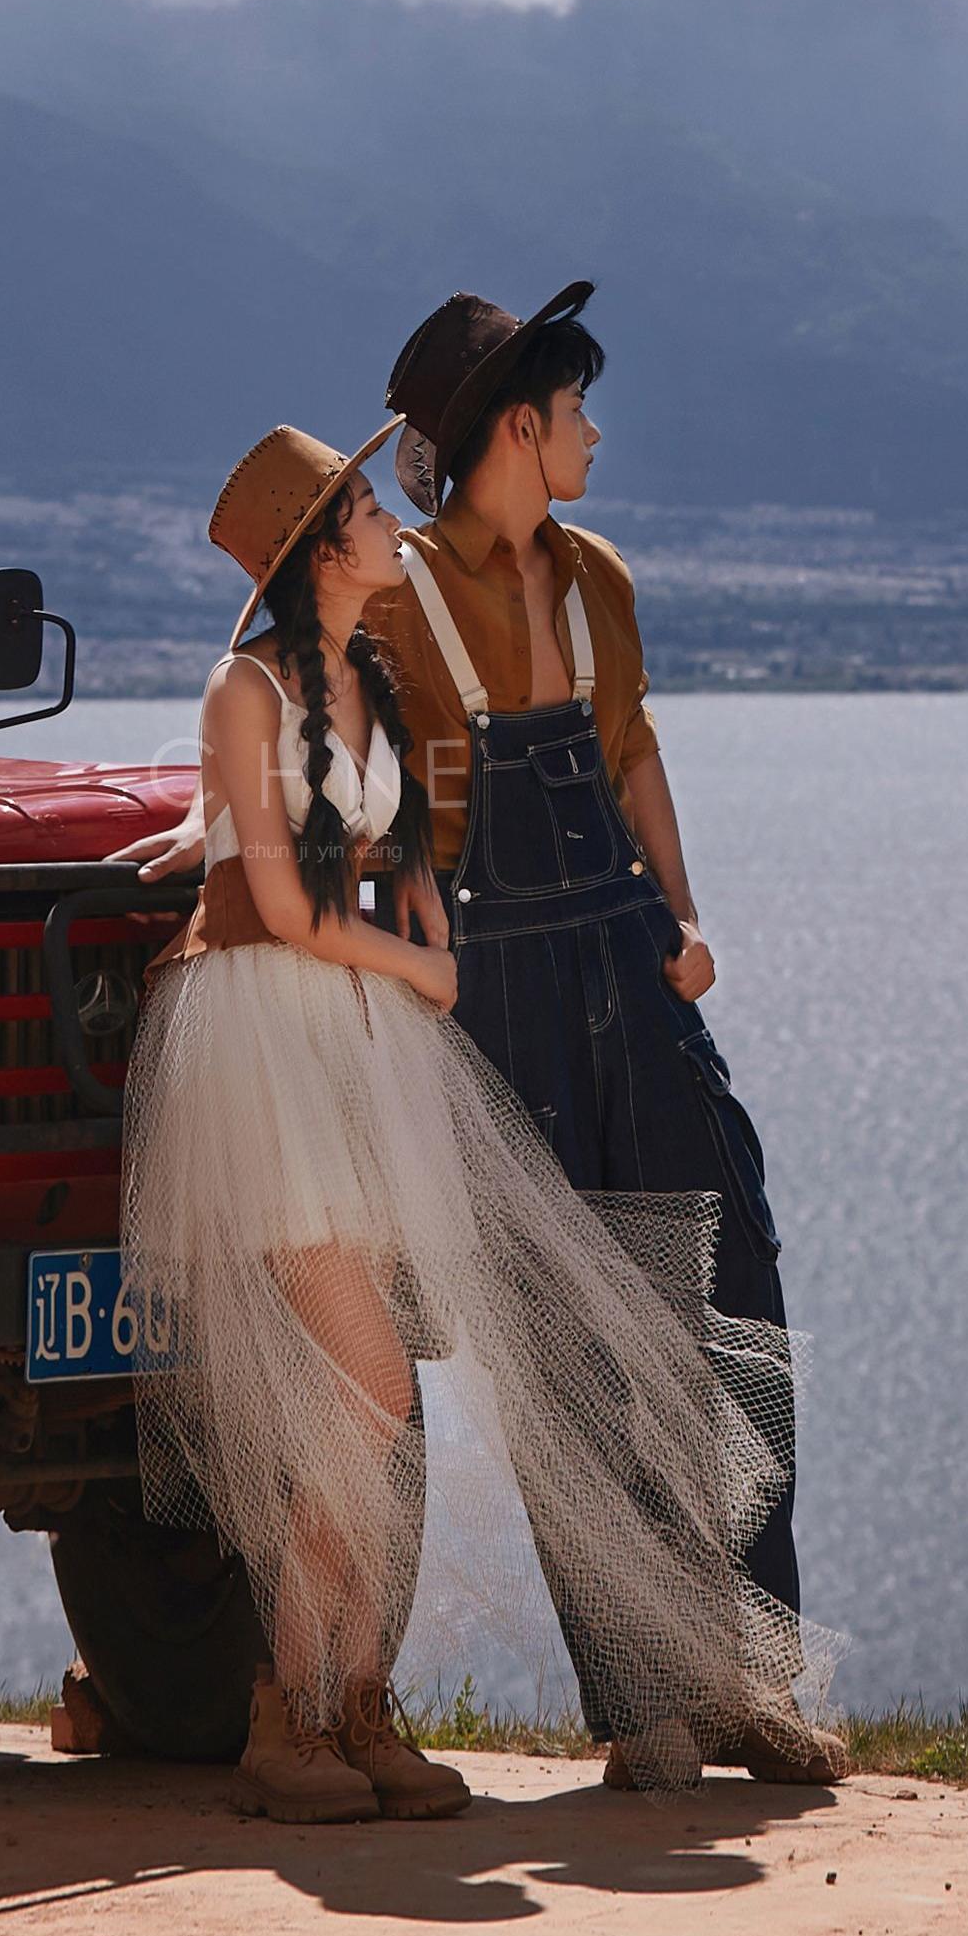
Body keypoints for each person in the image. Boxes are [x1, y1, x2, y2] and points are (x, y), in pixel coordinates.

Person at [117, 419, 812, 1823]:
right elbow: (293, 901)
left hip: (358, 1038)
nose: (389, 520)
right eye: (363, 507)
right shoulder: (243, 691)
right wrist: (423, 963)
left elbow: (383, 836)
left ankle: (355, 1706)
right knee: (369, 1385)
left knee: (375, 1402)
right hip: (271, 1038)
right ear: (318, 549)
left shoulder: (371, 676)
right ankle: (284, 1715)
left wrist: (419, 899)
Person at [364, 285, 846, 1790]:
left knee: (731, 1294)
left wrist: (688, 933)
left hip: (632, 969)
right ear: (517, 425)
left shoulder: (601, 582)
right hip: (495, 996)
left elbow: (633, 755)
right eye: (576, 411)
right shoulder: (400, 602)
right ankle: (644, 1713)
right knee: (567, 1353)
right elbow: (380, 820)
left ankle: (756, 1680)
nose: (594, 435)